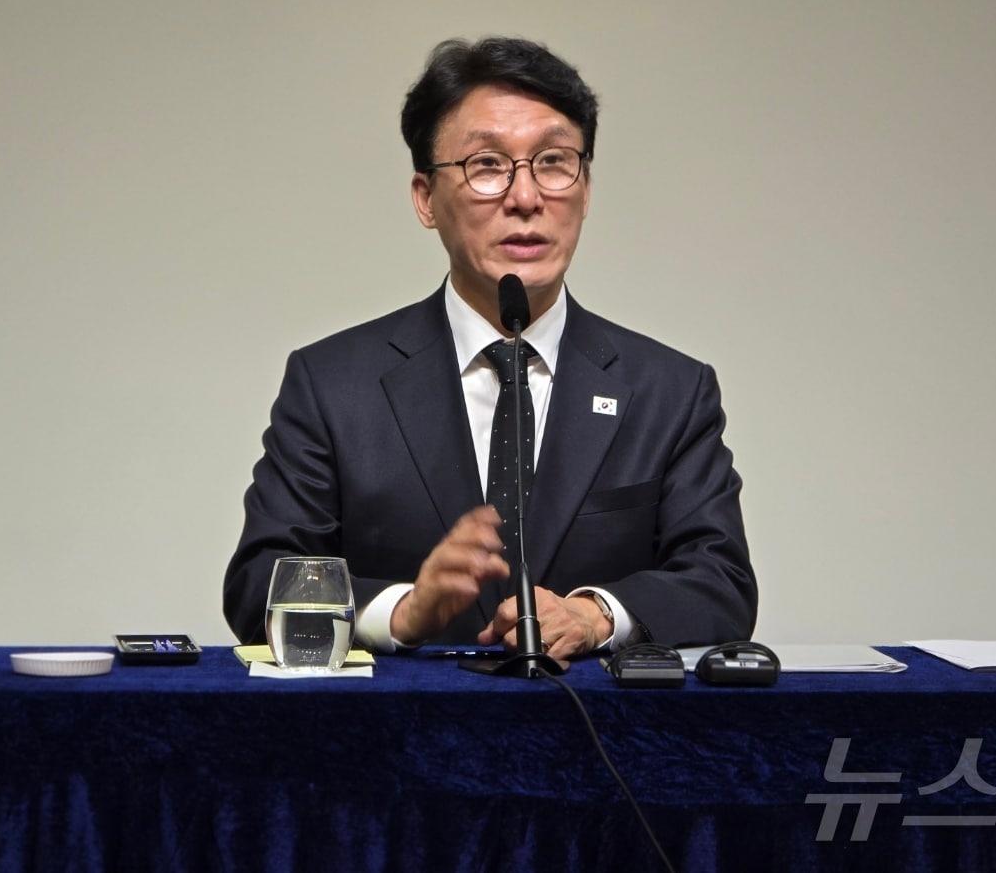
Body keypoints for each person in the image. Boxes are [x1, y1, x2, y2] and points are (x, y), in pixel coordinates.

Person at [223, 37, 757, 659]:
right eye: (487, 165)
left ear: (586, 189)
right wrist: (401, 611)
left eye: (553, 162)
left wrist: (595, 615)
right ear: (426, 198)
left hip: (596, 722)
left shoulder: (669, 391)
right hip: (399, 721)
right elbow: (258, 586)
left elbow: (721, 583)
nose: (525, 198)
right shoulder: (333, 385)